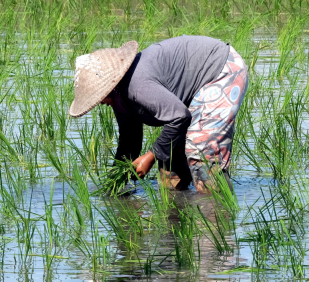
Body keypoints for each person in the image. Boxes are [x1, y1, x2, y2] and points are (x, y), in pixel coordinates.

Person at [69, 36, 248, 192]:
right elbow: (129, 140)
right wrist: (117, 180)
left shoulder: (137, 86)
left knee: (201, 152)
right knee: (169, 168)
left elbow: (179, 116)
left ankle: (216, 218)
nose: (99, 102)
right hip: (192, 92)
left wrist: (150, 156)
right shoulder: (119, 96)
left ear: (110, 86)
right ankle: (176, 223)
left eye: (98, 97)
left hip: (220, 70)